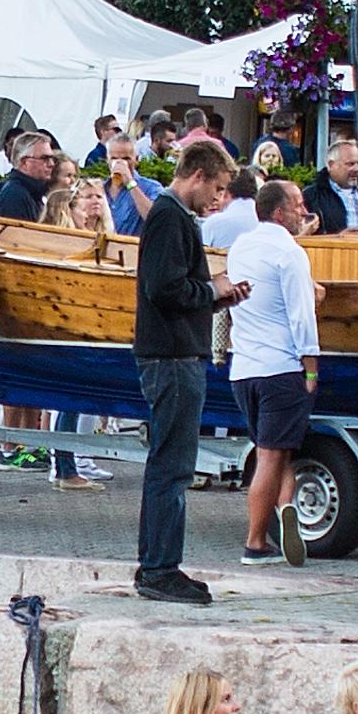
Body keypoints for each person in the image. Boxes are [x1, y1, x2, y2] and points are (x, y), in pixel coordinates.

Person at [131, 134, 229, 605]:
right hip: (171, 359)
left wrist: (214, 293)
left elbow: (170, 286)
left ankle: (158, 565)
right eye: (216, 189)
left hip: (174, 354)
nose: (218, 199)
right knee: (171, 467)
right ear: (198, 175)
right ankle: (158, 569)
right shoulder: (170, 217)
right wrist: (211, 292)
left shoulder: (171, 216)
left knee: (169, 465)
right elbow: (163, 288)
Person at [224, 172, 321, 566]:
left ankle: (285, 505)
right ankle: (256, 542)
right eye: (298, 205)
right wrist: (311, 367)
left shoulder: (240, 248)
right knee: (270, 456)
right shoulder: (290, 253)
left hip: (243, 367)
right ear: (280, 213)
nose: (304, 211)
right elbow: (301, 316)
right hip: (281, 367)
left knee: (275, 453)